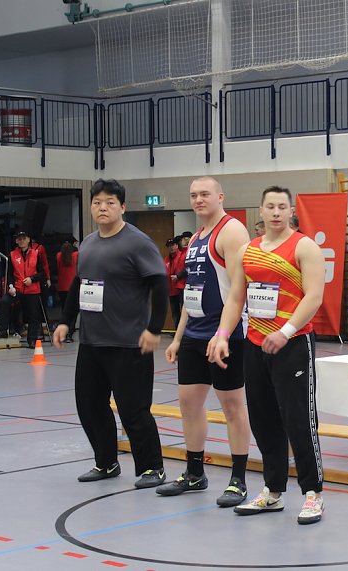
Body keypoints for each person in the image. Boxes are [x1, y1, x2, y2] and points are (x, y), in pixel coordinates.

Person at [208, 186, 326, 524]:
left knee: (299, 420)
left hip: (293, 344)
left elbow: (313, 297)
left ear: (290, 211)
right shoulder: (248, 250)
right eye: (270, 206)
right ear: (260, 210)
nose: (276, 212)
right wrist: (221, 335)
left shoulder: (304, 246)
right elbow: (235, 298)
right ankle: (273, 491)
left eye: (282, 207)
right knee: (263, 419)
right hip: (255, 345)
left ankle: (312, 493)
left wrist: (285, 332)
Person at [53, 179, 168, 489]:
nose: (102, 207)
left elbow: (159, 284)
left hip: (129, 342)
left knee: (133, 409)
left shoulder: (138, 242)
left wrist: (153, 329)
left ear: (123, 207)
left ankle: (151, 468)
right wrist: (66, 321)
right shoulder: (88, 243)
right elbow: (79, 285)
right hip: (92, 341)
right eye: (97, 203)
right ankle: (106, 463)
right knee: (89, 405)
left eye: (109, 202)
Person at [156, 176, 252, 507]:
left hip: (226, 337)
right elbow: (191, 293)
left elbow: (239, 290)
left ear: (220, 196)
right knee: (188, 404)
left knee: (232, 407)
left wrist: (223, 334)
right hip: (195, 336)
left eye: (204, 194)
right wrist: (178, 337)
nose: (198, 200)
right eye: (193, 195)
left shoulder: (233, 232)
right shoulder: (195, 238)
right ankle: (194, 473)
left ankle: (238, 478)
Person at [0, 230, 45, 347]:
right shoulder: (12, 255)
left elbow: (42, 273)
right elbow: (9, 274)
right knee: (4, 301)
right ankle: (3, 330)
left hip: (32, 289)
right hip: (17, 288)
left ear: (29, 240)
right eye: (19, 239)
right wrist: (11, 286)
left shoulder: (35, 254)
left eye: (24, 238)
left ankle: (32, 339)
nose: (22, 241)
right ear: (16, 241)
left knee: (33, 315)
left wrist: (32, 279)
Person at [56, 239, 79, 342]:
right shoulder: (76, 255)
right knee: (73, 311)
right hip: (72, 286)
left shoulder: (59, 256)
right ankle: (70, 332)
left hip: (61, 286)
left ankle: (64, 332)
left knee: (65, 310)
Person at [164, 237, 185, 327]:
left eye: (173, 245)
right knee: (175, 313)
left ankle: (186, 334)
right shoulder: (166, 259)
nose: (171, 247)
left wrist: (178, 276)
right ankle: (178, 333)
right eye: (169, 246)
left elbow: (187, 270)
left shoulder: (183, 256)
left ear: (177, 245)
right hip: (171, 290)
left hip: (181, 288)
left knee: (185, 312)